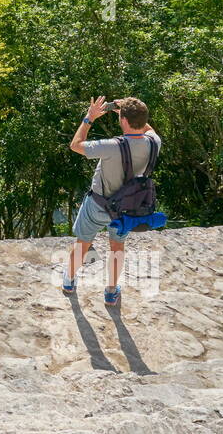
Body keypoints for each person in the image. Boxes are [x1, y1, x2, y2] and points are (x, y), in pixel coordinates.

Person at [64, 97, 160, 305]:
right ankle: (110, 292)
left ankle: (69, 282)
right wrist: (128, 112)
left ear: (123, 120)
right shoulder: (154, 142)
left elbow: (75, 145)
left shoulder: (111, 146)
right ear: (144, 120)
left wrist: (89, 118)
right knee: (117, 246)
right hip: (128, 209)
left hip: (99, 204)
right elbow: (147, 129)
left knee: (82, 244)